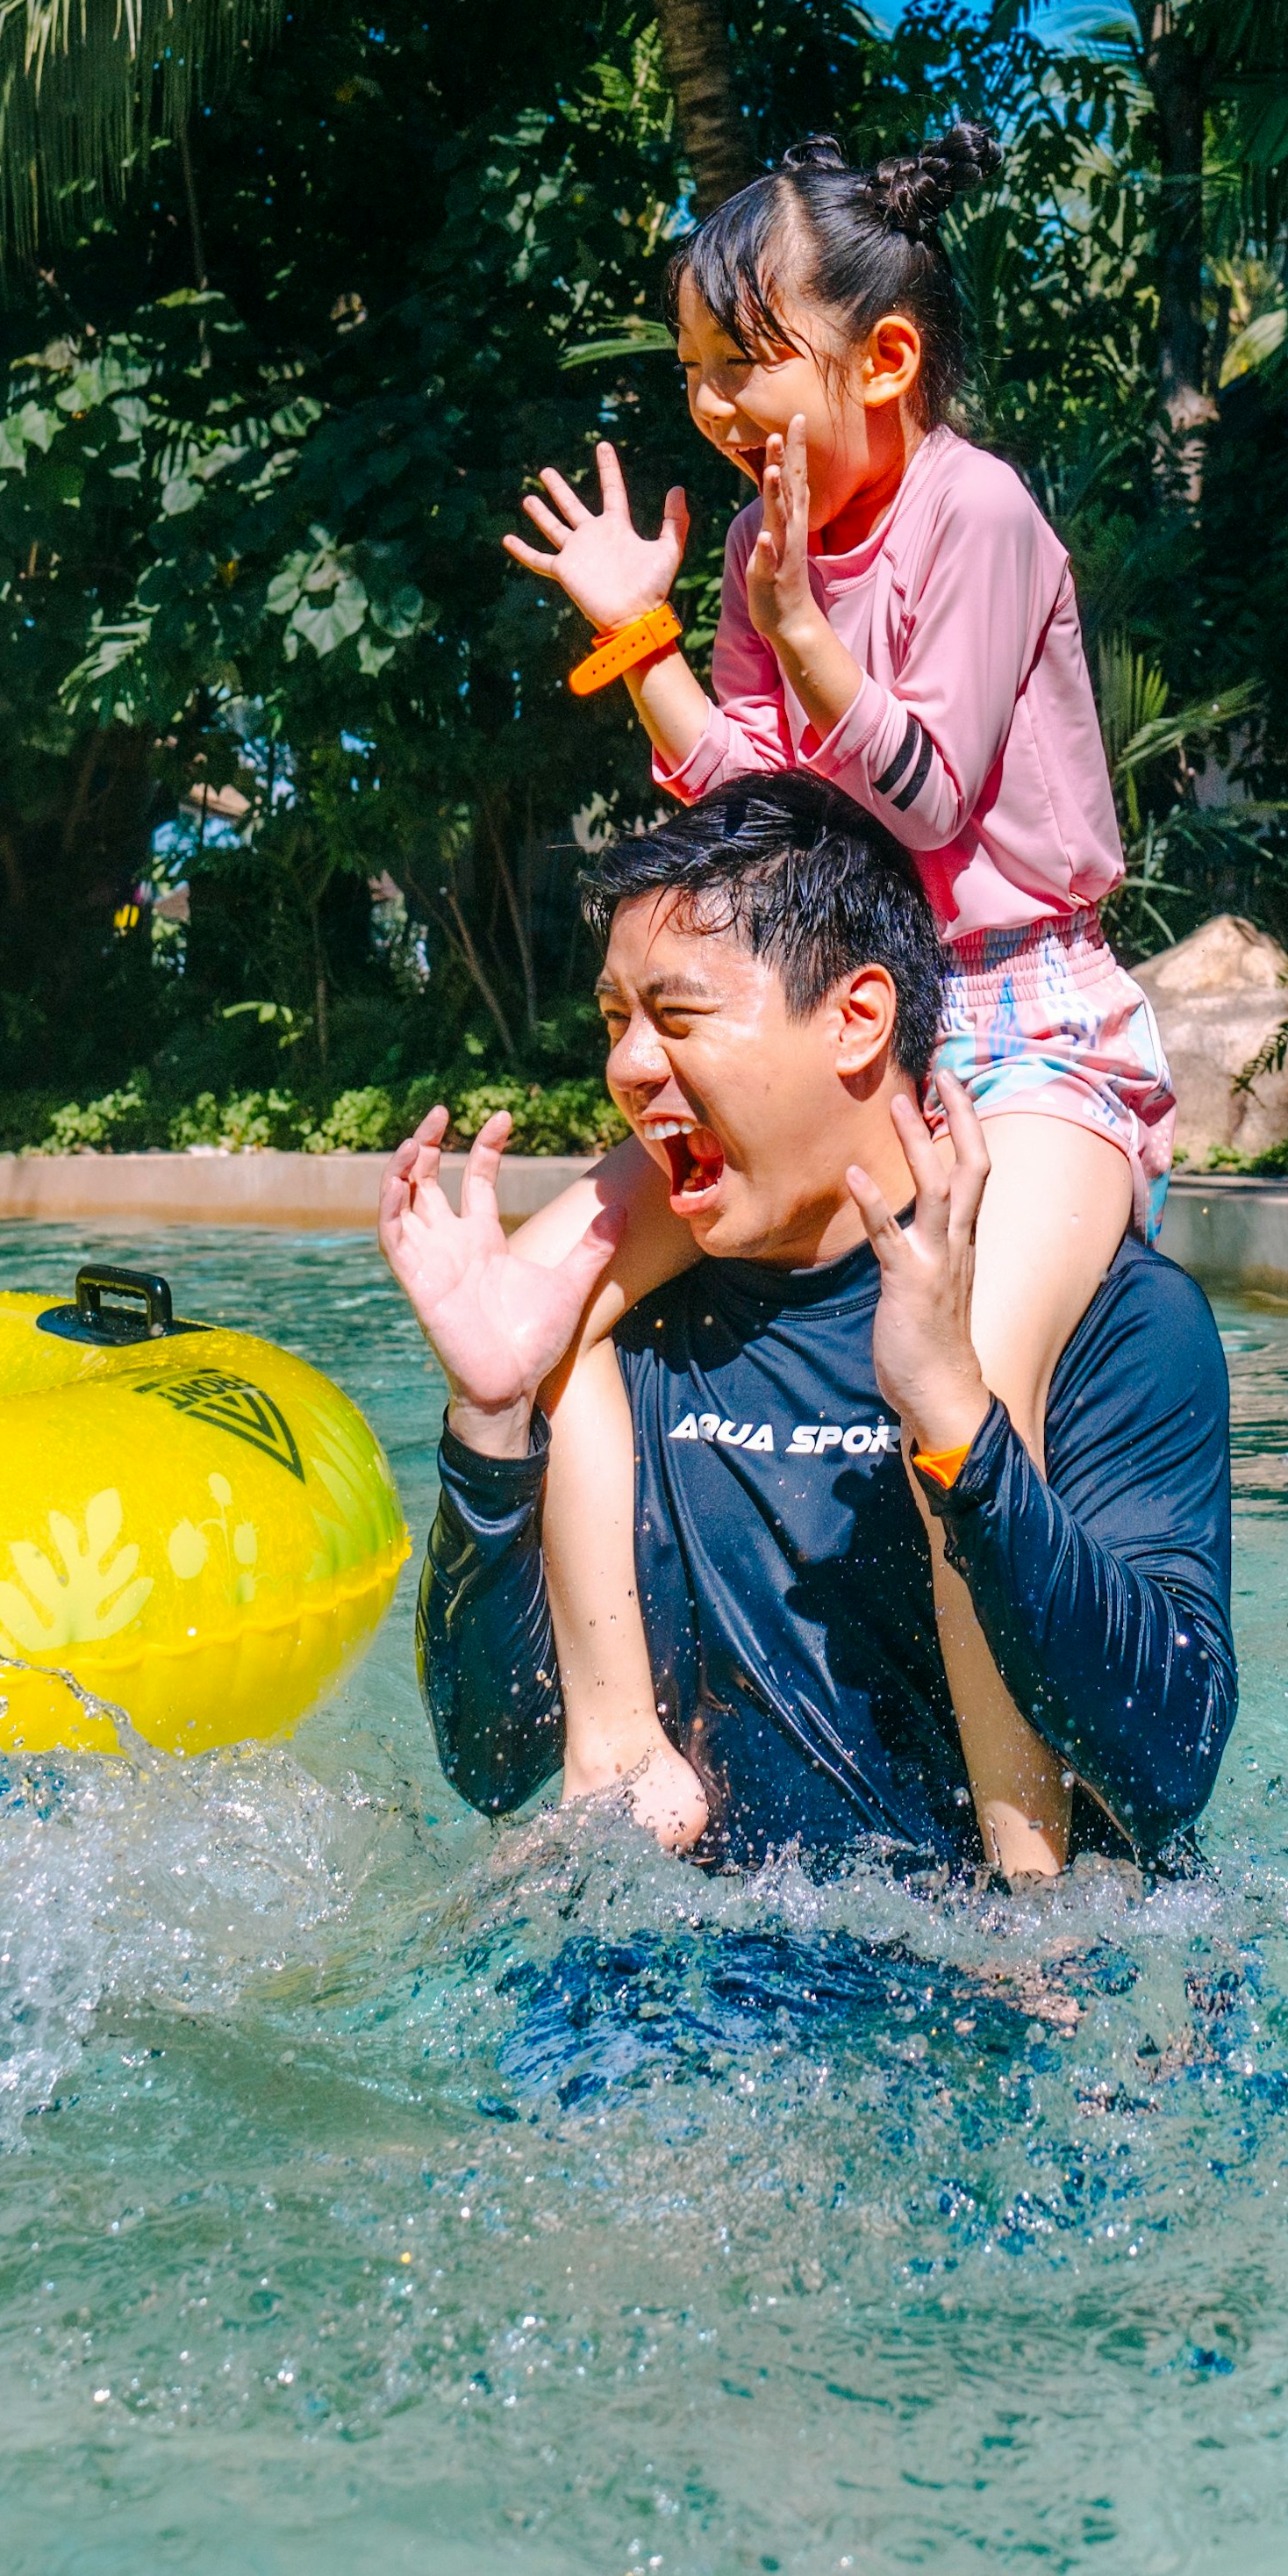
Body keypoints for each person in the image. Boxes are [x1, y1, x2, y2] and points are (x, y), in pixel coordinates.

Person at [494, 126, 1169, 1870]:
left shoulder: (976, 510)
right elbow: (749, 835)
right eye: (695, 371)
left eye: (747, 363)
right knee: (542, 1310)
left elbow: (927, 801)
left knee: (974, 1383)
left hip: (1020, 1022)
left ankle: (1033, 1870)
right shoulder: (748, 546)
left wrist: (807, 649)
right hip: (825, 1023)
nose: (716, 405)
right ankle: (614, 1750)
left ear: (882, 359)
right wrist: (644, 644)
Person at [381, 775, 1234, 1880]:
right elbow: (492, 1765)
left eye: (676, 1015)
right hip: (702, 1994)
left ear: (857, 1019)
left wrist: (959, 1430)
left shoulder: (1116, 1324)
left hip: (1015, 2006)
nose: (628, 1066)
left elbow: (1165, 1764)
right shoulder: (630, 1340)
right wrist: (488, 1428)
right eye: (615, 1020)